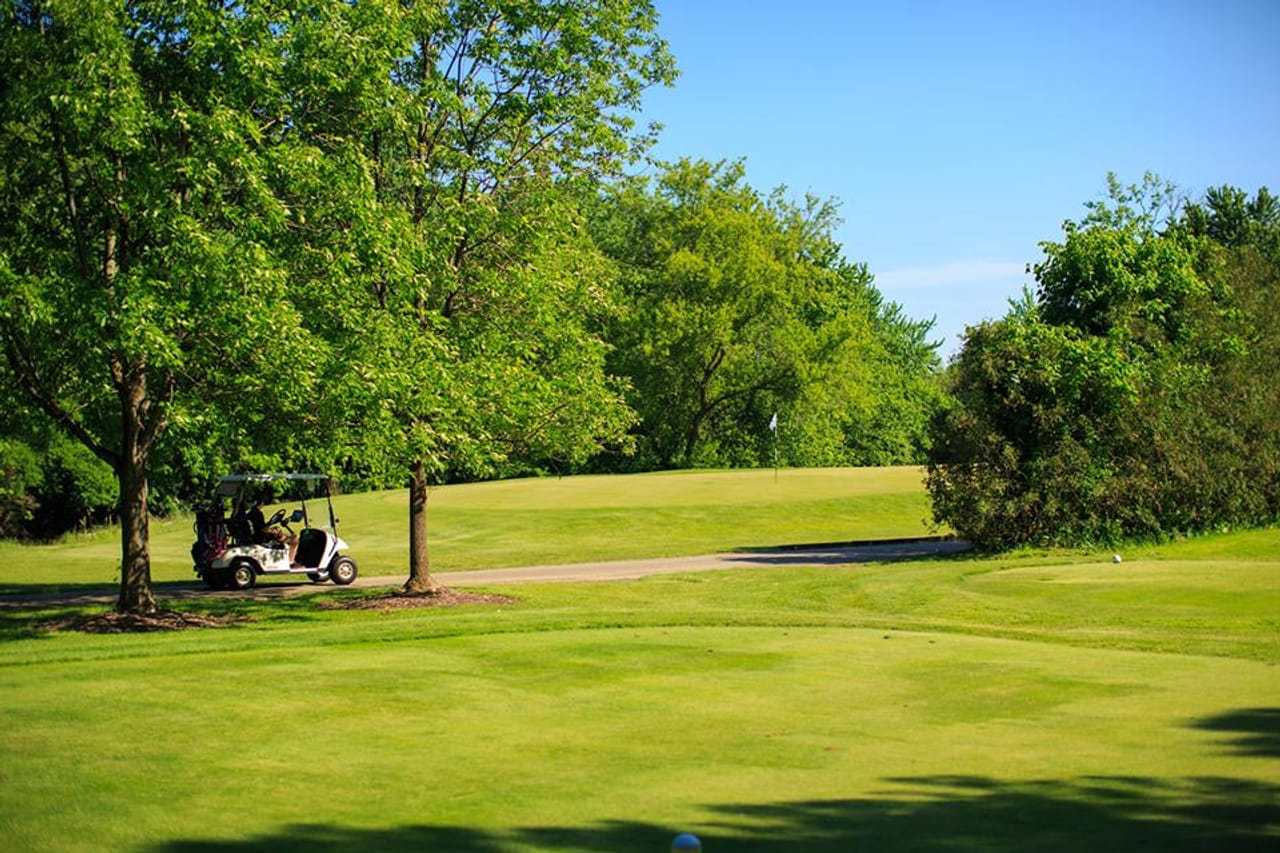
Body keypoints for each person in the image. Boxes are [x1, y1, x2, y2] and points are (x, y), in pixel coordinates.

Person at [249, 495, 299, 564]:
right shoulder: (258, 514)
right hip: (261, 538)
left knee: (278, 530)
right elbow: (262, 529)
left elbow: (259, 526)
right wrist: (273, 530)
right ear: (260, 503)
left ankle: (289, 554)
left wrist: (270, 524)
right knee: (294, 539)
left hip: (257, 536)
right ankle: (291, 560)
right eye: (262, 502)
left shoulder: (250, 513)